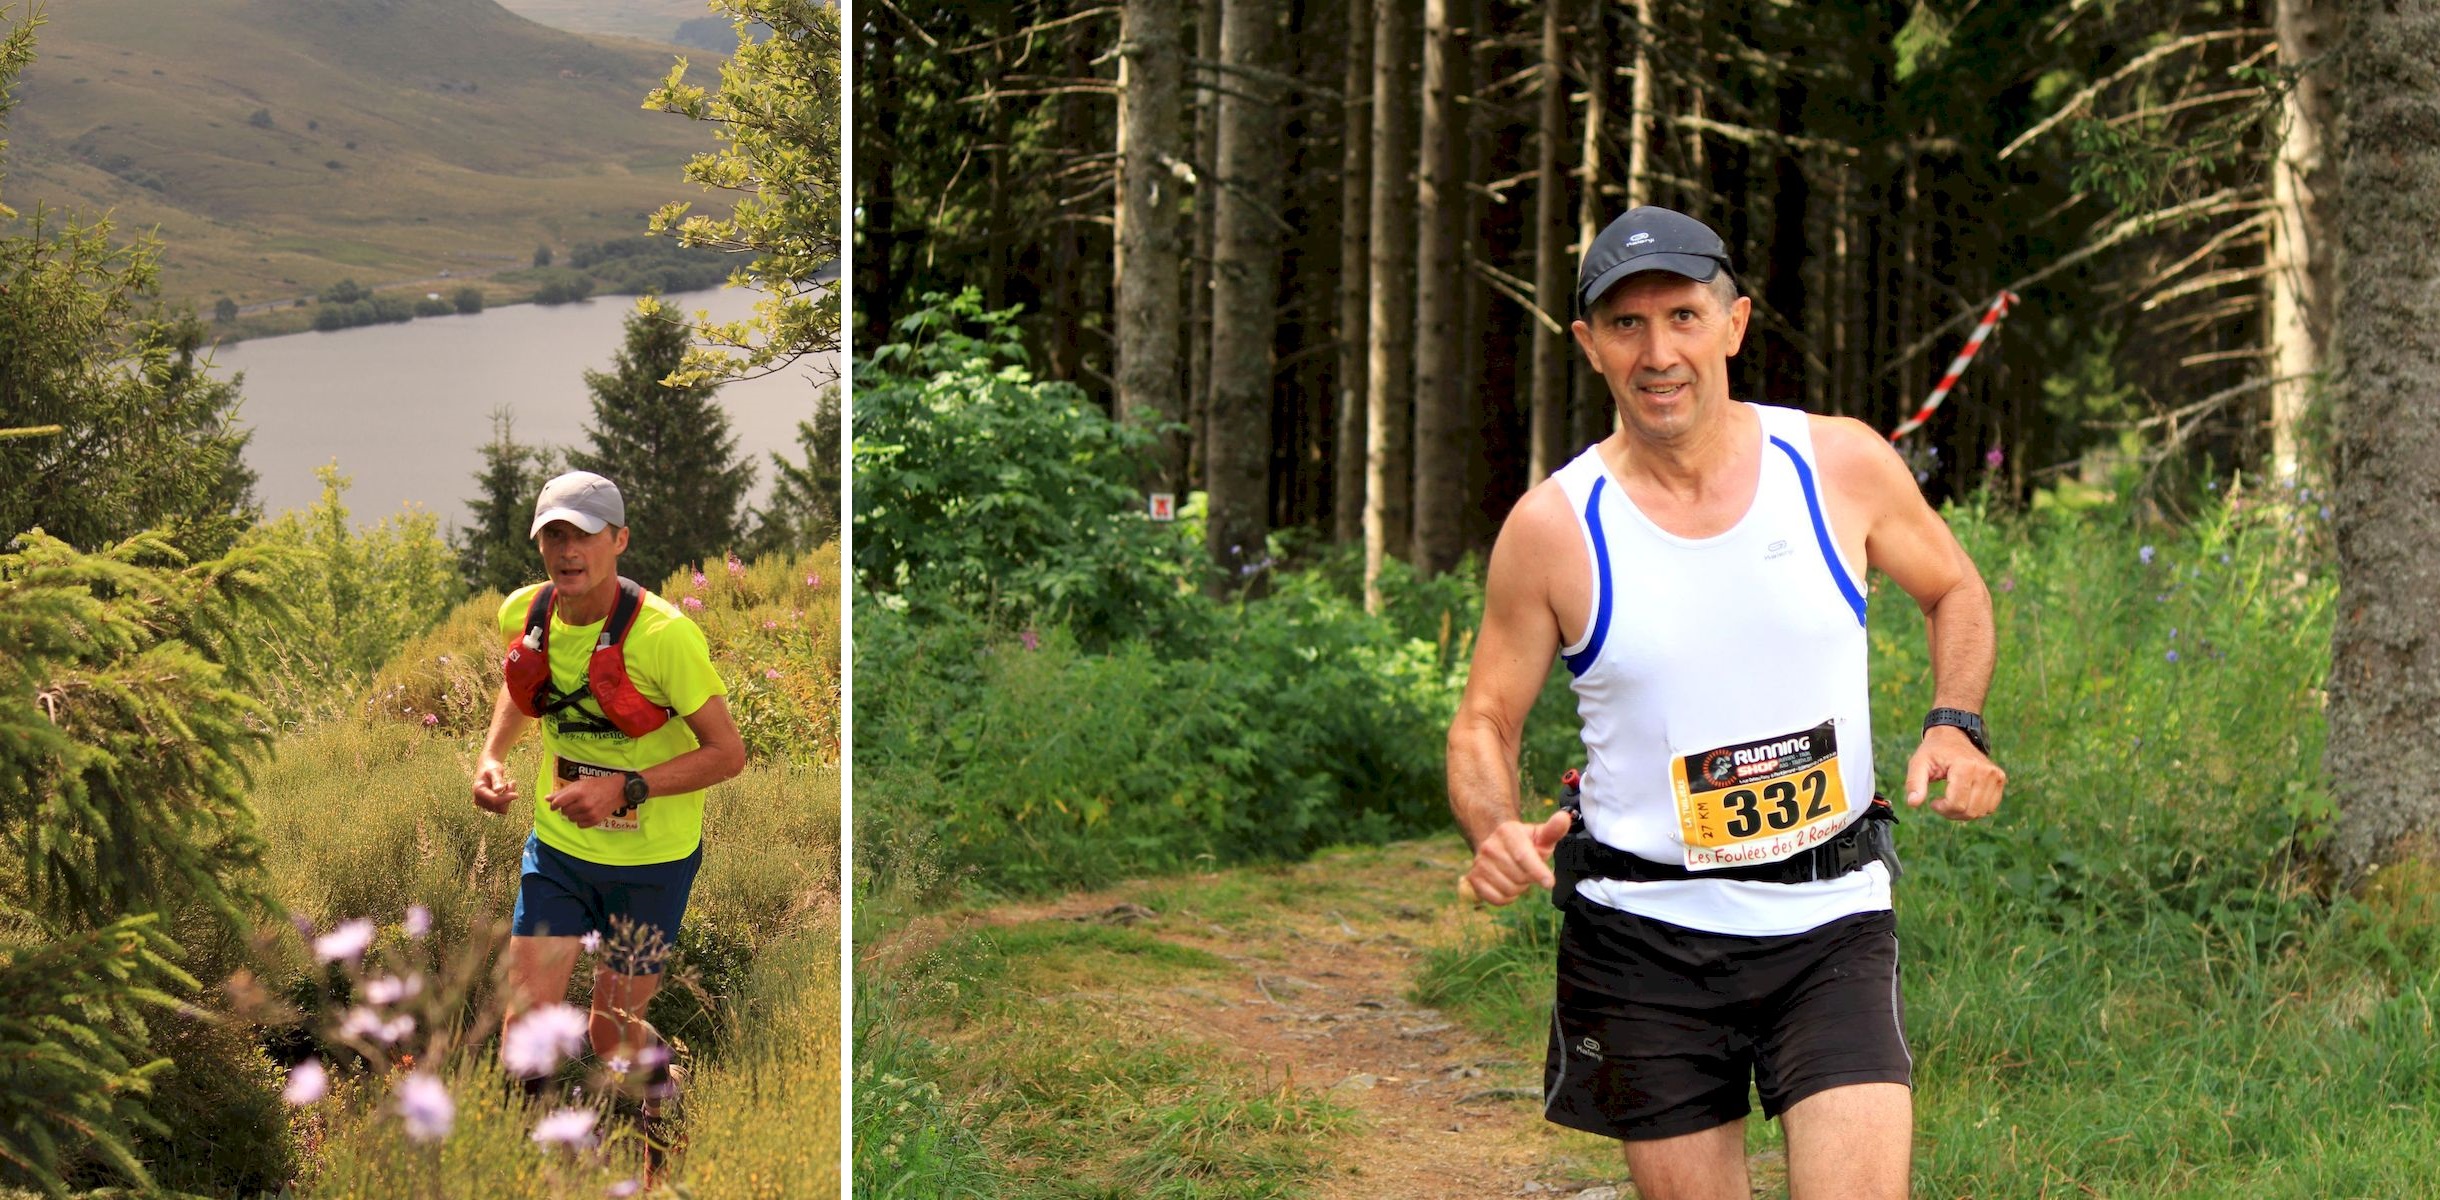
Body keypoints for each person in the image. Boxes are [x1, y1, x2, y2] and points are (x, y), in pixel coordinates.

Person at [1448, 206, 2006, 1200]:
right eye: (1626, 326)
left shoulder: (1835, 465)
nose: (1658, 353)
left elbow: (1954, 588)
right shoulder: (1554, 527)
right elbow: (1484, 720)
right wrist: (1492, 824)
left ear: (1735, 324)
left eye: (1682, 317)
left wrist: (1954, 721)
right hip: (1641, 939)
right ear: (1587, 345)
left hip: (1829, 914)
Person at [471, 470, 746, 1144]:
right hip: (559, 854)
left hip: (650, 863)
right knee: (526, 1031)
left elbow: (728, 753)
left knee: (610, 1038)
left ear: (619, 540)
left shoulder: (665, 636)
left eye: (585, 535)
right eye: (554, 535)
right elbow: (522, 687)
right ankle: (543, 1171)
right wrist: (492, 757)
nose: (568, 551)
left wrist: (625, 787)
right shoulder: (524, 612)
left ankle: (660, 1084)